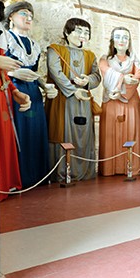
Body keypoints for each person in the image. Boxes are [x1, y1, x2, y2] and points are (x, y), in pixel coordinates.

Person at [0, 0, 57, 189]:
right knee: (20, 131)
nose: (28, 18)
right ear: (11, 17)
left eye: (31, 16)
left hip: (34, 92)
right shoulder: (5, 37)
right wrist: (14, 73)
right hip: (14, 88)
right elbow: (0, 66)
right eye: (24, 14)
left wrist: (43, 84)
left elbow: (35, 71)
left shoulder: (35, 44)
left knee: (36, 131)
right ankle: (20, 177)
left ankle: (38, 176)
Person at [45, 18, 101, 182]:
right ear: (67, 32)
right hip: (62, 99)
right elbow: (55, 72)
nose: (83, 35)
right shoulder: (55, 50)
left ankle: (85, 171)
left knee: (84, 134)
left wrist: (87, 81)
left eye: (86, 32)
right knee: (63, 133)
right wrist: (72, 90)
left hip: (83, 100)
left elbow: (97, 76)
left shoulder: (90, 55)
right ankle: (62, 173)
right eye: (78, 31)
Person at [98, 27, 140, 176]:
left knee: (131, 131)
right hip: (111, 99)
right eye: (118, 37)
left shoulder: (135, 59)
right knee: (110, 134)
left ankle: (131, 167)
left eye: (125, 37)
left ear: (129, 41)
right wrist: (123, 78)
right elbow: (105, 72)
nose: (122, 40)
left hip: (130, 100)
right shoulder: (105, 59)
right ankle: (109, 168)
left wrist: (122, 89)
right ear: (112, 40)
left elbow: (137, 76)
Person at [0, 43, 31, 201]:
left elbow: (2, 72)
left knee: (4, 138)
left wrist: (14, 91)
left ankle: (4, 183)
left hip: (2, 91)